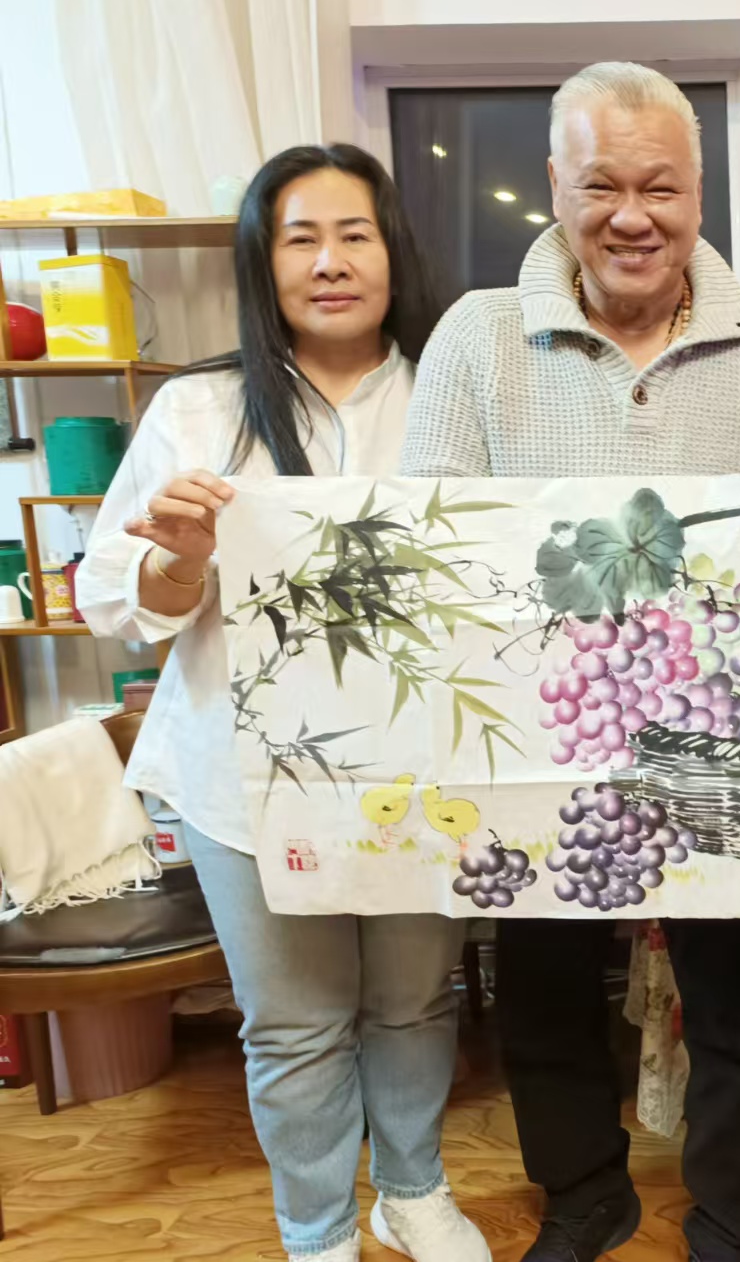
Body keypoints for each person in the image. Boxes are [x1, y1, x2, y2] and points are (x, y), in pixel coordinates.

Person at [399, 63, 740, 1262]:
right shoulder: (477, 336)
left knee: (732, 987)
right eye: (601, 186)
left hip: (716, 726)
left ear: (698, 194)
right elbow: (428, 534)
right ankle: (584, 1190)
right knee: (544, 982)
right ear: (556, 185)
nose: (632, 216)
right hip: (541, 724)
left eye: (660, 187)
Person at [79, 145, 487, 1262]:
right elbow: (114, 599)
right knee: (295, 1022)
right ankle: (317, 1232)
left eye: (354, 234)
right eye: (300, 238)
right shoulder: (198, 407)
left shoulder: (454, 395)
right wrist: (179, 556)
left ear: (394, 252)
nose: (329, 262)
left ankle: (411, 1189)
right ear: (263, 262)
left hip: (419, 768)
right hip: (243, 777)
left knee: (414, 998)